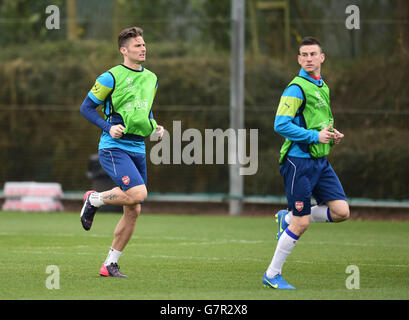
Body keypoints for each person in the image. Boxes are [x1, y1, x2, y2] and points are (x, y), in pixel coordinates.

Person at [263, 36, 350, 289]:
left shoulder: (323, 86)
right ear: (299, 59)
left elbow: (319, 123)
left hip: (320, 162)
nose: (309, 59)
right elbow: (280, 124)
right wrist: (314, 136)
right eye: (304, 55)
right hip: (298, 162)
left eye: (313, 54)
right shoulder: (296, 88)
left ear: (322, 58)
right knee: (302, 222)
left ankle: (287, 218)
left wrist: (331, 135)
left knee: (341, 212)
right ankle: (272, 274)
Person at [80, 27, 164, 278]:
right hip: (113, 147)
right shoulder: (110, 77)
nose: (143, 48)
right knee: (139, 193)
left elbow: (144, 111)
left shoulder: (152, 78)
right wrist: (108, 126)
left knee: (134, 208)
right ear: (123, 50)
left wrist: (154, 128)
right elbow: (86, 108)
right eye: (137, 45)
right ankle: (93, 200)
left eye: (144, 44)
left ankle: (110, 263)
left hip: (138, 146)